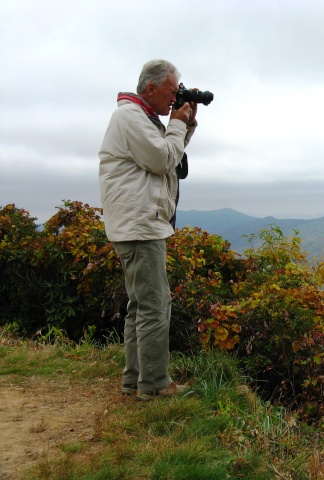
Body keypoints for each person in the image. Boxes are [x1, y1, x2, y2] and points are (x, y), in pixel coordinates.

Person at [98, 59, 198, 401]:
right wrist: (177, 124)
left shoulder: (142, 119)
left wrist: (186, 124)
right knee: (155, 306)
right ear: (150, 88)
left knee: (140, 306)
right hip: (140, 225)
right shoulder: (130, 118)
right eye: (171, 93)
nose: (174, 100)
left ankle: (135, 379)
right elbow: (161, 160)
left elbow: (170, 156)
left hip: (136, 223)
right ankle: (155, 385)